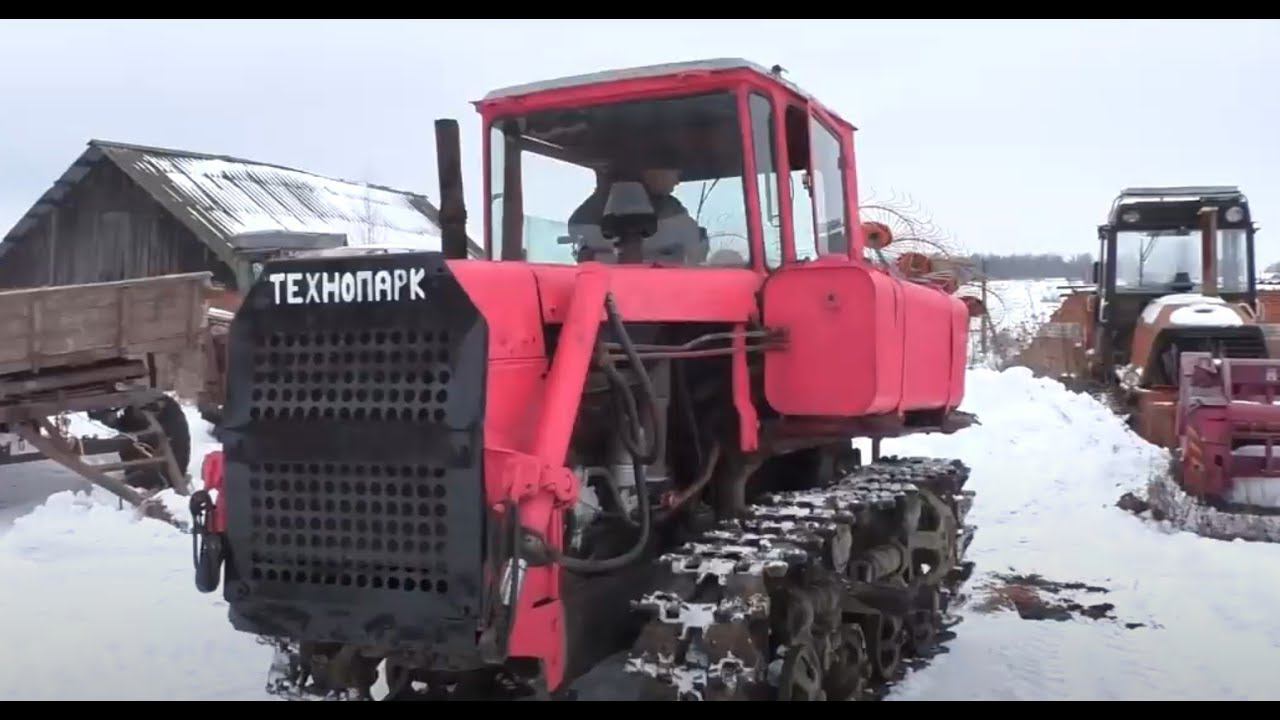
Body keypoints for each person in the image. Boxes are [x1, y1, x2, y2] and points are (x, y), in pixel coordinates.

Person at [566, 167, 705, 265]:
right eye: (672, 167)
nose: (677, 180)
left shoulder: (583, 218)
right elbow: (694, 255)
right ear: (649, 169)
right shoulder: (676, 219)